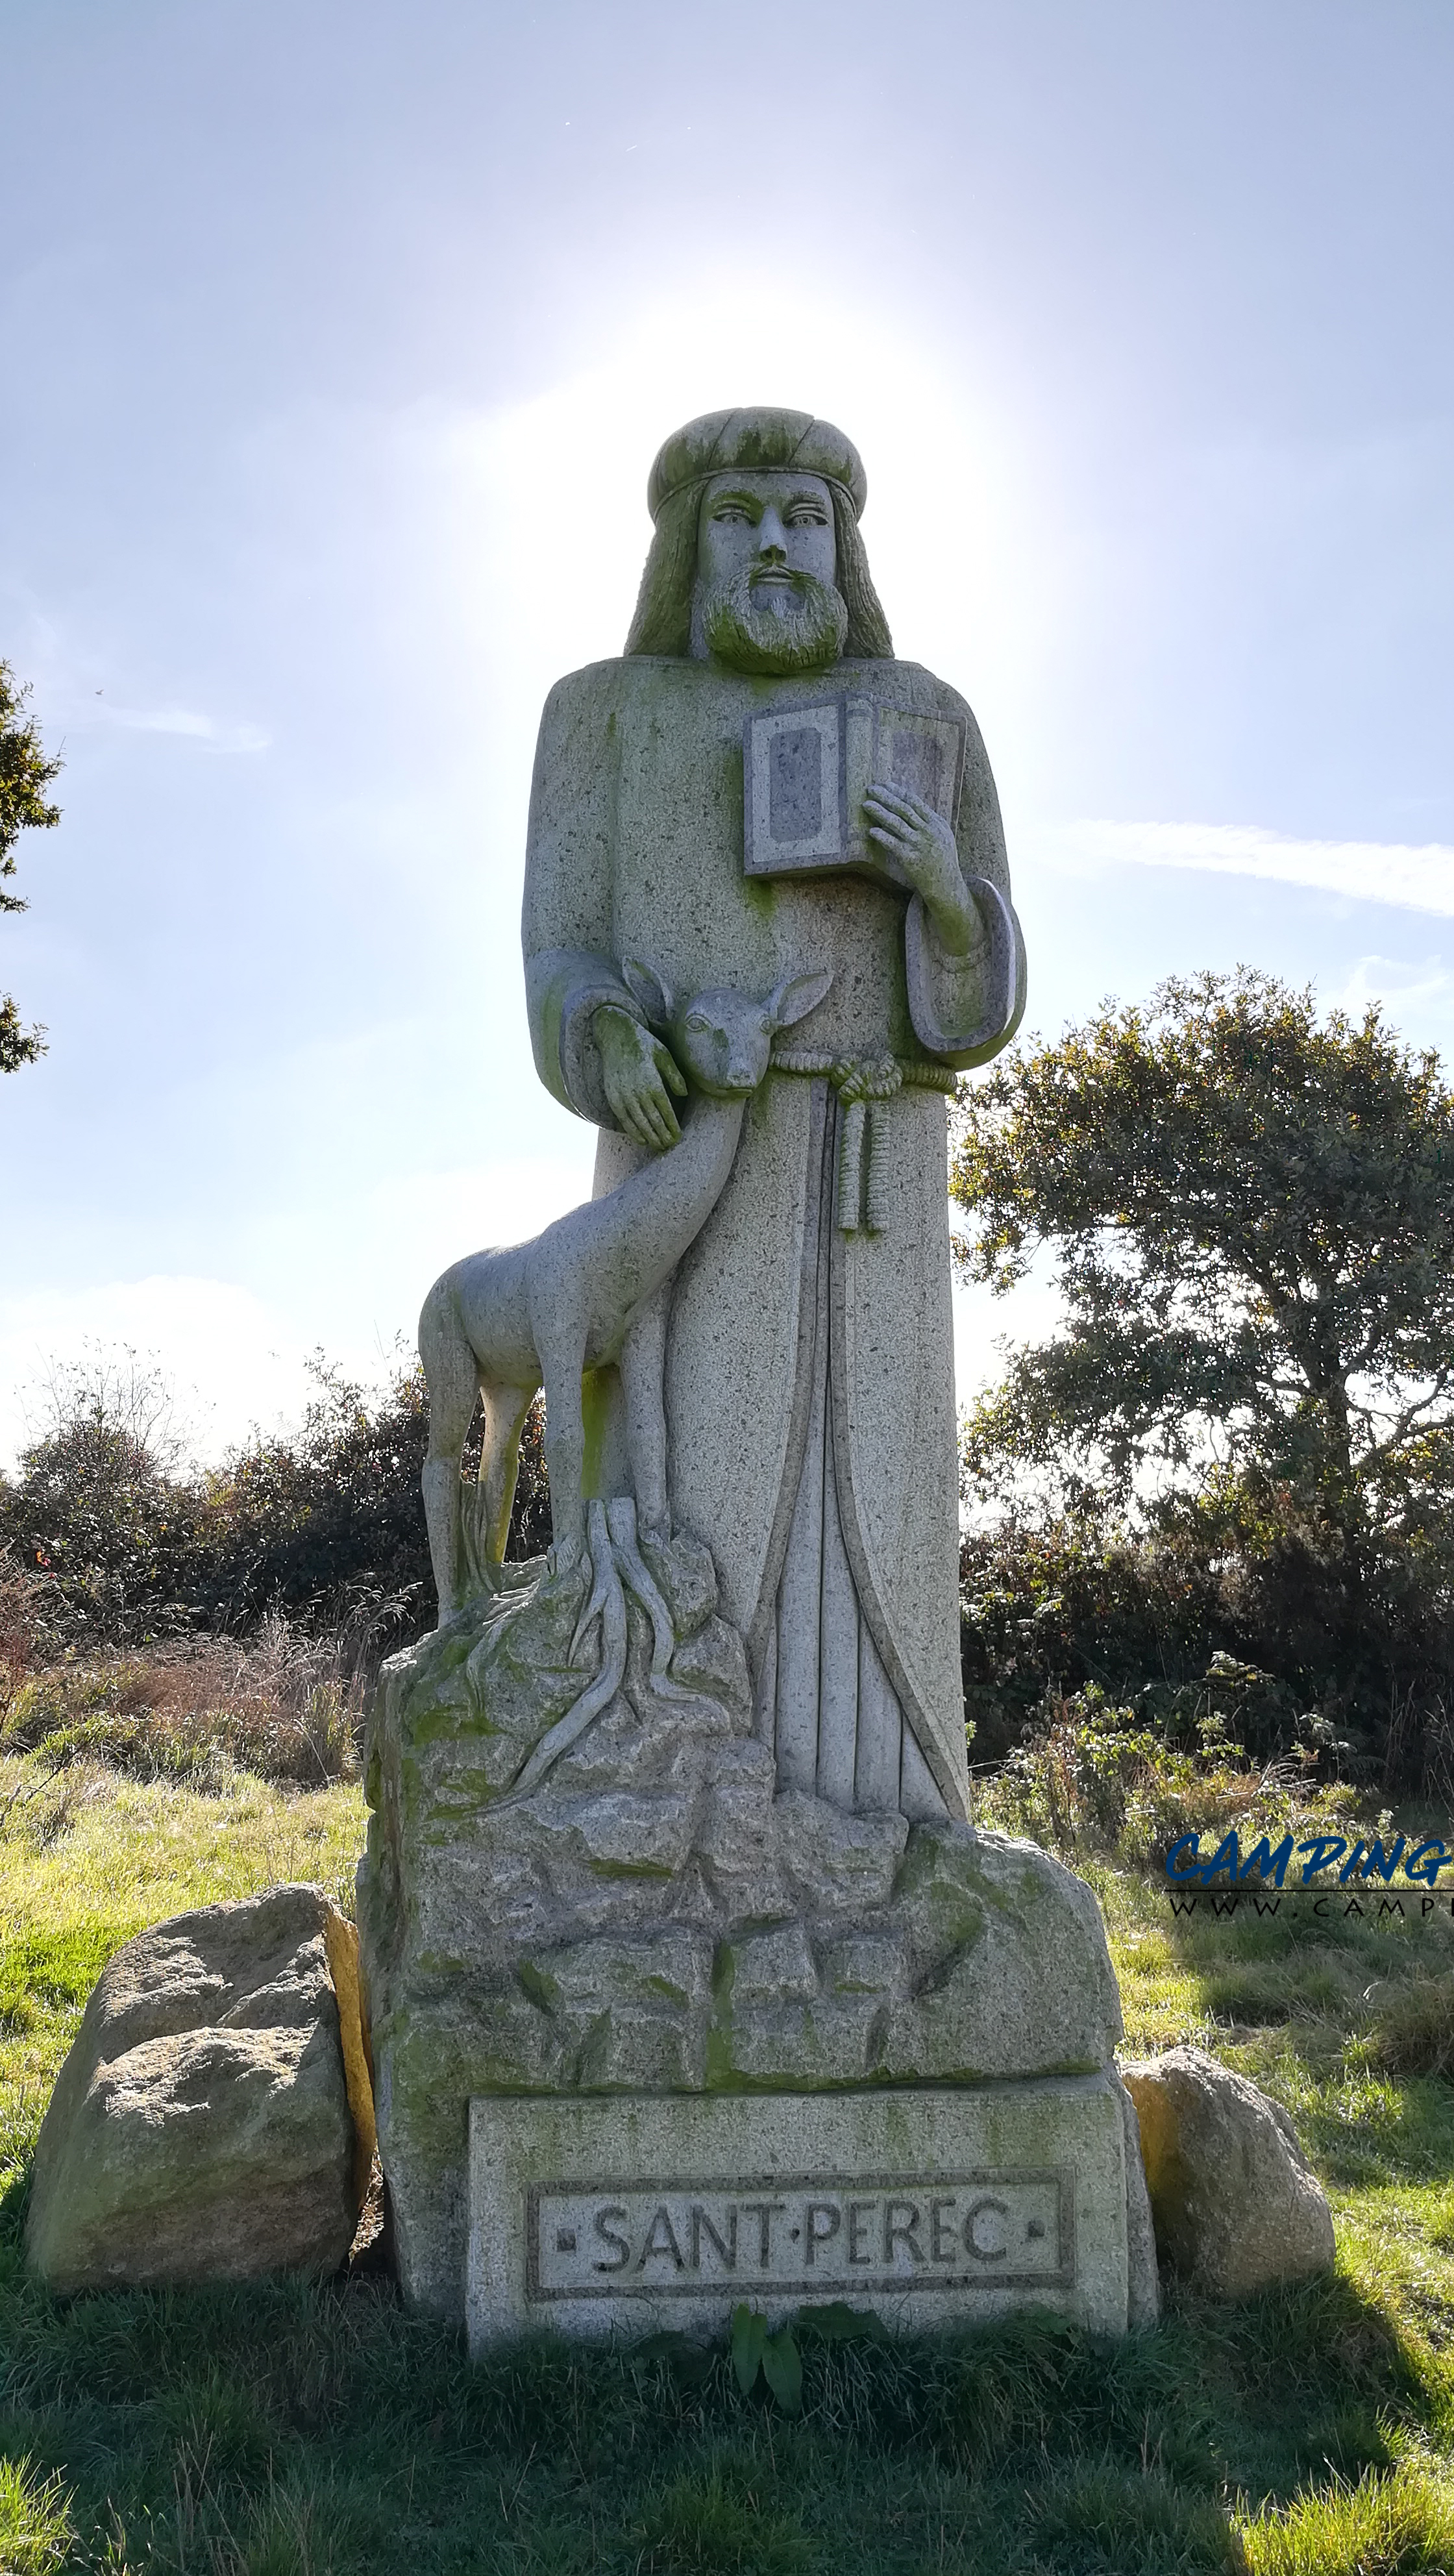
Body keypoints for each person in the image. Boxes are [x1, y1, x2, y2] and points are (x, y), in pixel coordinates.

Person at [522, 407, 1026, 1823]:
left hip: (874, 1155)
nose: (772, 543)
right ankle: (674, 1796)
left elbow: (980, 990)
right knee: (690, 1483)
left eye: (804, 518)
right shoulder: (602, 715)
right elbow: (557, 947)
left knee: (884, 1481)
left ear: (845, 545)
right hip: (688, 1153)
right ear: (688, 544)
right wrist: (604, 1029)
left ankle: (897, 1816)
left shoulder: (926, 713)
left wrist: (938, 890)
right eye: (740, 515)